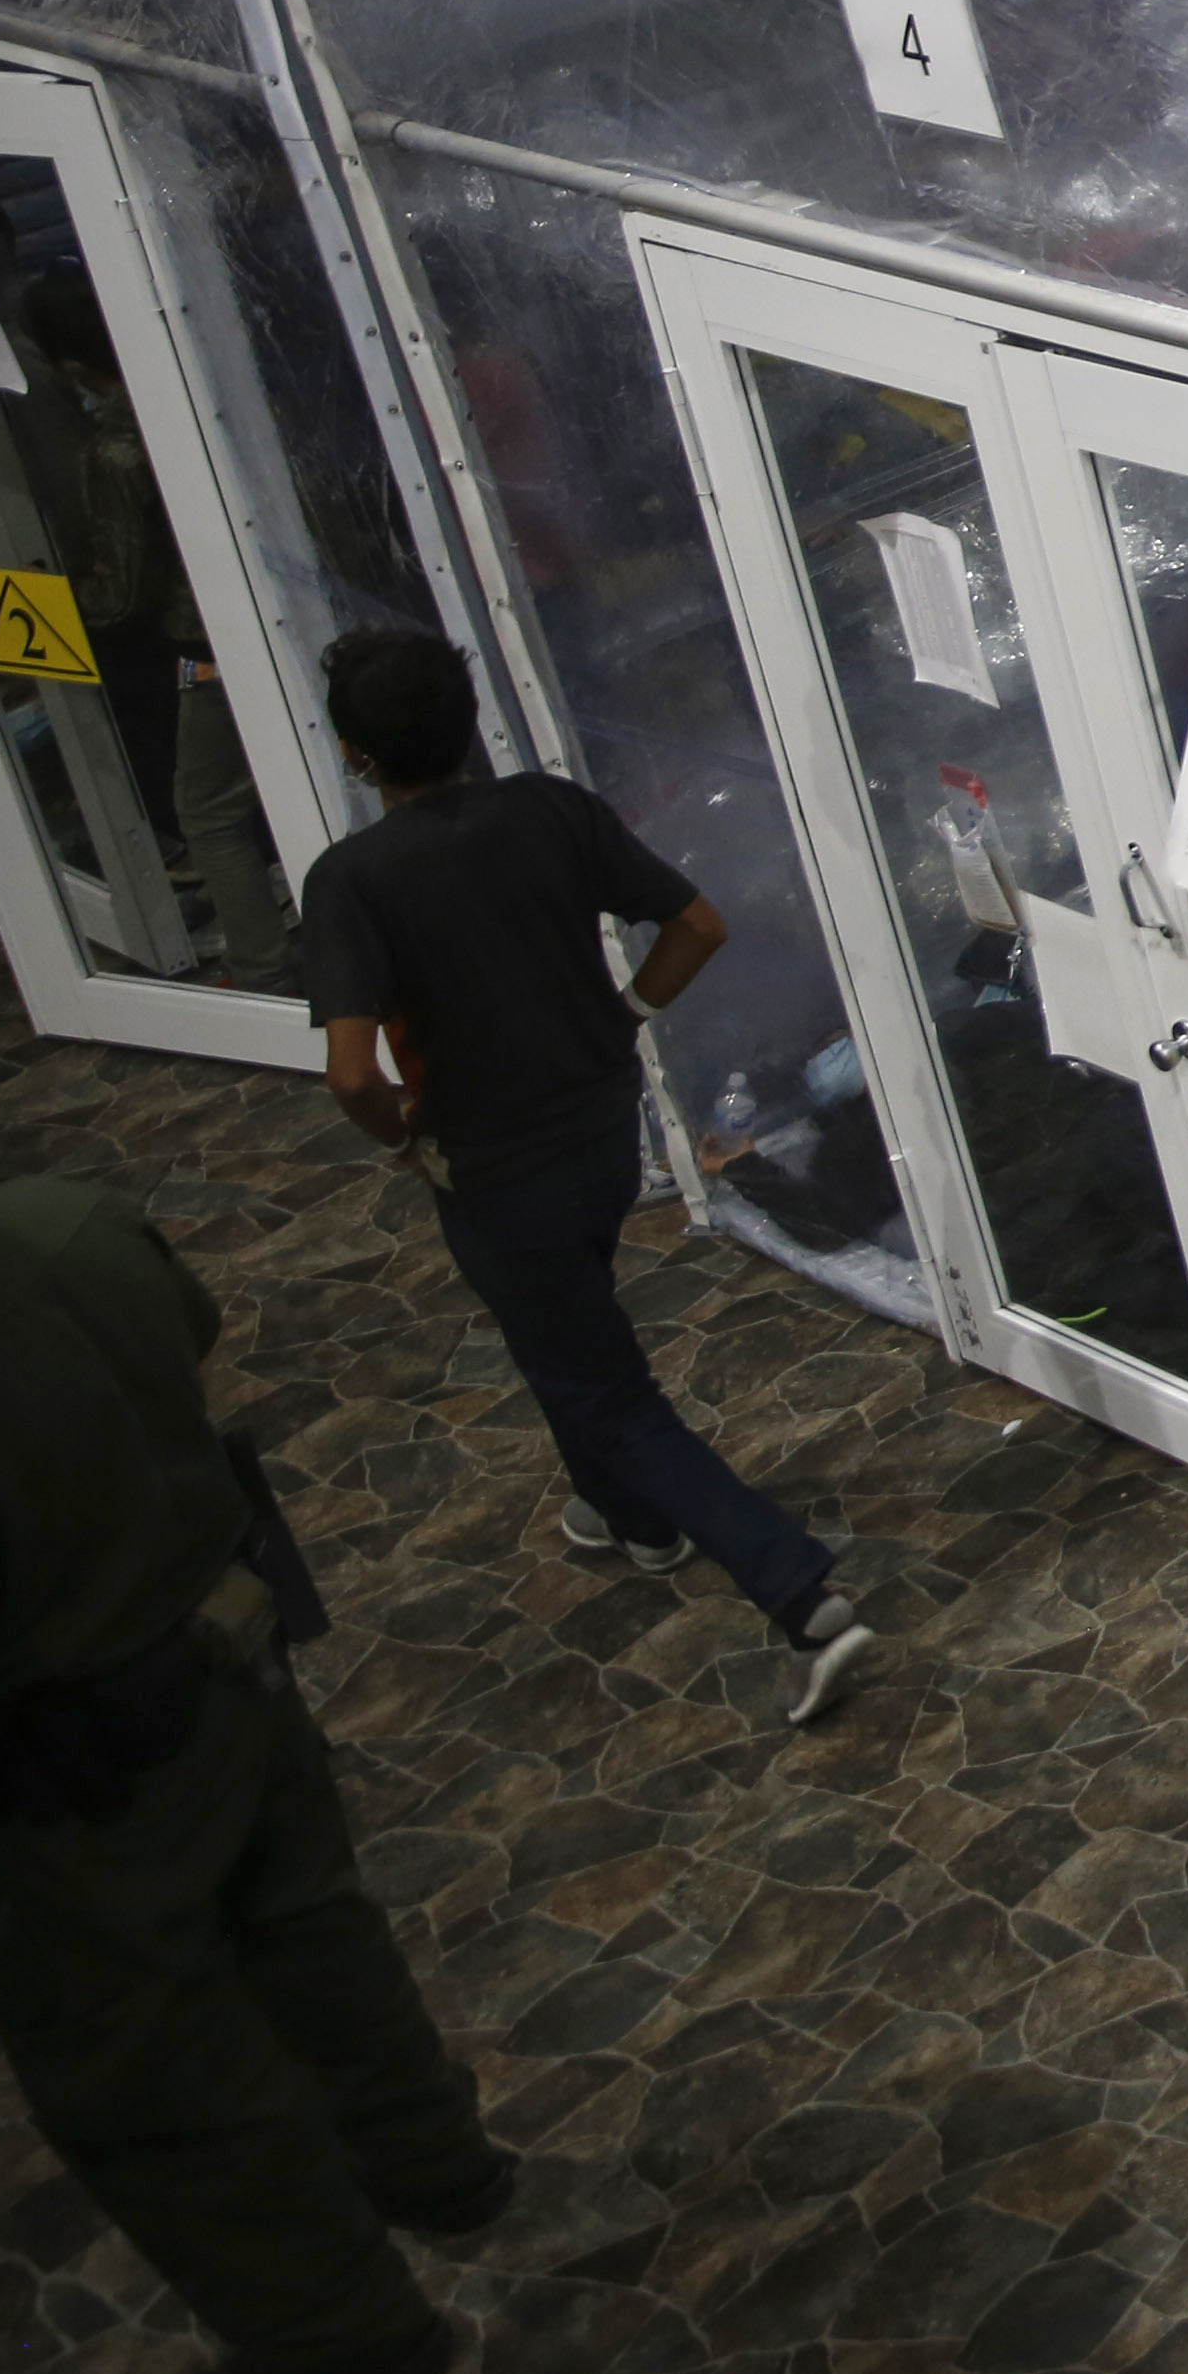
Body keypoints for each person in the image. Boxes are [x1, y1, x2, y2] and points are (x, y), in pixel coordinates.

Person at [0, 1171, 510, 2374]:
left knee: (156, 2067)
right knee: (308, 1922)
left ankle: (359, 2356)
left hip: (68, 1765)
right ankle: (430, 2158)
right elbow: (191, 1325)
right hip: (224, 1645)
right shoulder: (60, 1228)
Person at [291, 629, 871, 1727]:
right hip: (603, 1133)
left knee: (604, 1389)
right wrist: (626, 1016)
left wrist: (403, 1140)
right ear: (467, 717)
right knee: (567, 1335)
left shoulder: (350, 881)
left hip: (497, 1175)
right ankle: (629, 1517)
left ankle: (801, 1596)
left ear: (357, 756)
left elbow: (349, 1072)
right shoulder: (553, 811)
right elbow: (695, 925)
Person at [12, 271, 291, 985]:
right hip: (285, 612)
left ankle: (262, 964)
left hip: (207, 649)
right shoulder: (215, 391)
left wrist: (32, 612)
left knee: (208, 810)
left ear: (73, 370)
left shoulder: (116, 453)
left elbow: (122, 594)